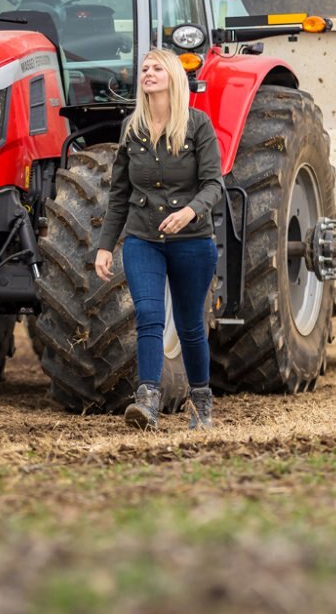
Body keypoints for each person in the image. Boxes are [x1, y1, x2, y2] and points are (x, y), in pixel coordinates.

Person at [95, 49, 223, 430]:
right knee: (148, 315)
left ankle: (201, 402)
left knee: (189, 326)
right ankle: (147, 400)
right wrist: (105, 245)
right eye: (145, 69)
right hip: (143, 238)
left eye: (156, 68)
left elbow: (214, 183)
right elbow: (119, 194)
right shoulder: (131, 130)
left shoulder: (197, 125)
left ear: (172, 77)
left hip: (193, 240)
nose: (148, 73)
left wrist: (189, 212)